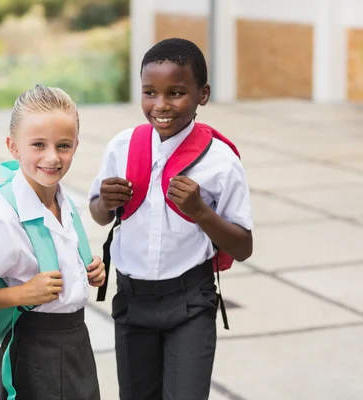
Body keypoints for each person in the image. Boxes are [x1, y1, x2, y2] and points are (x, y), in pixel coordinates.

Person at [88, 38, 254, 400]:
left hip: (190, 303)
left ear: (202, 95)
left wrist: (200, 212)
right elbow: (99, 214)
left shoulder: (220, 160)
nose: (160, 105)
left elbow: (242, 246)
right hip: (132, 302)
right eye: (150, 93)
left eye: (176, 93)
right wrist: (105, 202)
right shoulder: (122, 146)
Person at [0, 84, 106, 400]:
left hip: (77, 343)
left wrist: (87, 270)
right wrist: (21, 293)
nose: (52, 157)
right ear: (13, 146)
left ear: (76, 144)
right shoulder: (3, 218)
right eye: (38, 145)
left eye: (63, 146)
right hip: (33, 353)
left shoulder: (64, 201)